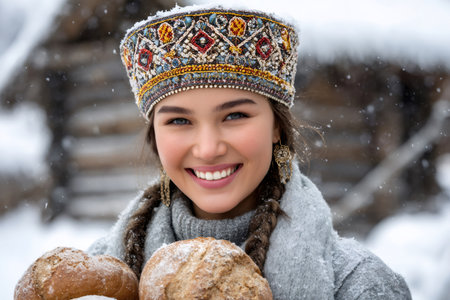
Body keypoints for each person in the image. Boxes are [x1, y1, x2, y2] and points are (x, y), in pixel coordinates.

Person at [88, 4, 412, 299]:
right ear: (155, 137)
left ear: (277, 127)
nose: (208, 148)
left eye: (235, 116)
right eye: (179, 120)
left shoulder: (359, 285)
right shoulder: (93, 280)